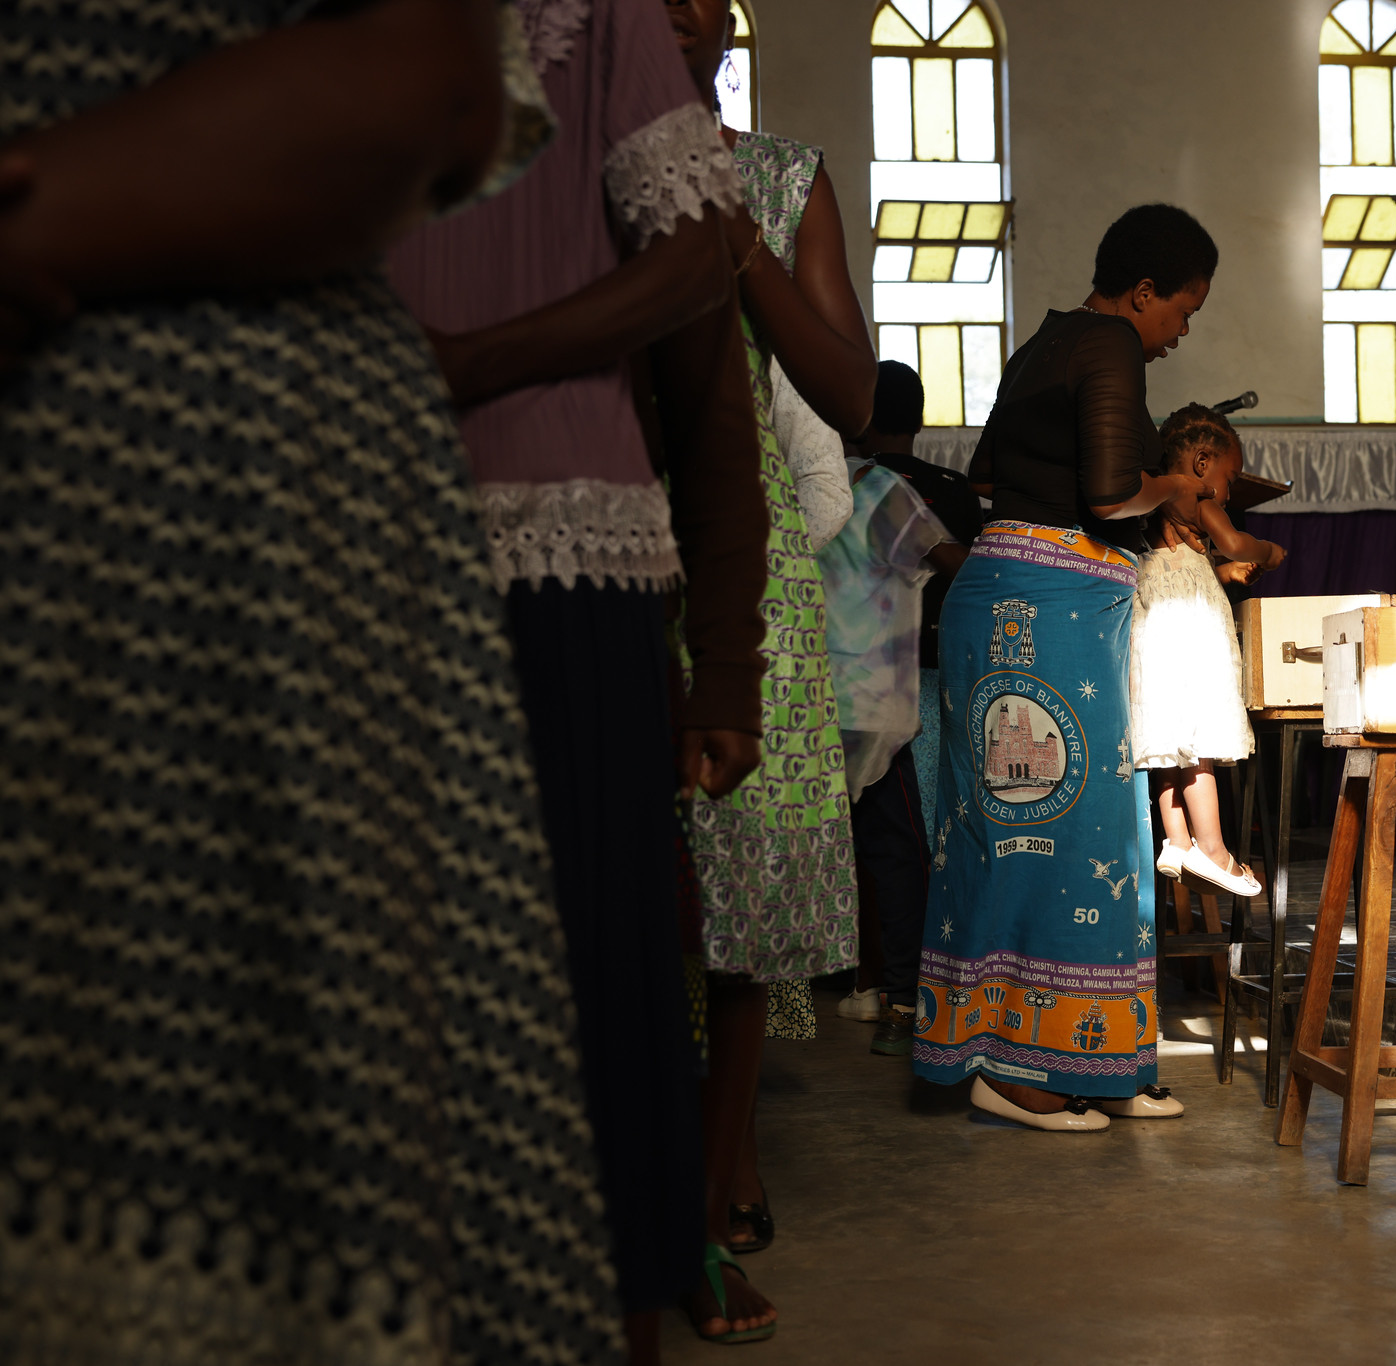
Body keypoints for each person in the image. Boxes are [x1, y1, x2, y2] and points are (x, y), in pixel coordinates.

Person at [0, 4, 646, 1362]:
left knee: (241, 1132)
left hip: (196, 504)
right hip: (244, 491)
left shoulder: (626, 52)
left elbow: (417, 78)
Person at [384, 0, 770, 1352]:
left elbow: (708, 352)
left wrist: (729, 656)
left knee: (597, 996)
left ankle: (620, 1297)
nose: (702, 29)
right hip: (355, 552)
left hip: (568, 567)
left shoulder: (591, 23)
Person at [911, 204, 1218, 1132]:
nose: (1181, 333)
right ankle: (1011, 1066)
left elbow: (990, 477)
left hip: (1022, 600)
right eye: (1185, 310)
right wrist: (1179, 486)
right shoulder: (1111, 344)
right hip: (1043, 611)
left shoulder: (1043, 342)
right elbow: (1112, 493)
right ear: (1143, 292)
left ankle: (1093, 1052)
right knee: (1049, 832)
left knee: (1077, 836)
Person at [667, 0, 875, 1304]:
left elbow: (851, 390)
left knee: (738, 897)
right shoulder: (545, 167)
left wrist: (740, 251)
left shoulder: (782, 174)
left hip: (748, 572)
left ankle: (723, 1164)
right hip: (610, 534)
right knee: (634, 888)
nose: (689, 11)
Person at [840, 361, 983, 1051]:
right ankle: (904, 997)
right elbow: (956, 562)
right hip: (889, 691)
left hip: (809, 692)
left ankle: (815, 998)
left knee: (823, 848)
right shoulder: (892, 490)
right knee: (898, 844)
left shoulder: (818, 485)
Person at [1132, 404, 1286, 898]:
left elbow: (1175, 574)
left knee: (1169, 744)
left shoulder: (1153, 510)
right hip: (1191, 639)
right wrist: (1267, 551)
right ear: (1202, 463)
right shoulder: (1197, 497)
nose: (1230, 489)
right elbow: (1236, 542)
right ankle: (1214, 850)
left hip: (1158, 632)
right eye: (1230, 476)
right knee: (1197, 746)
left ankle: (1176, 841)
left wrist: (1221, 573)